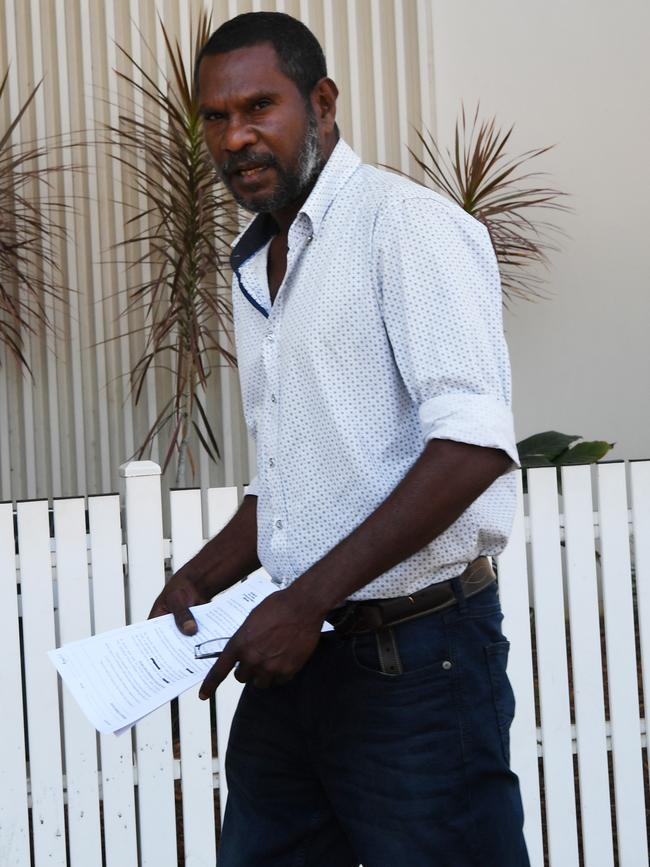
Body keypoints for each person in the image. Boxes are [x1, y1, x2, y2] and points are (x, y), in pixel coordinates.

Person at [149, 11, 530, 866]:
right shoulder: (259, 262)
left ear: (321, 104)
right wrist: (201, 576)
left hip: (418, 663)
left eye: (259, 108)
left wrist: (305, 599)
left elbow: (472, 445)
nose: (235, 137)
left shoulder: (406, 226)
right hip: (297, 656)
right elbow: (298, 472)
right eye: (216, 117)